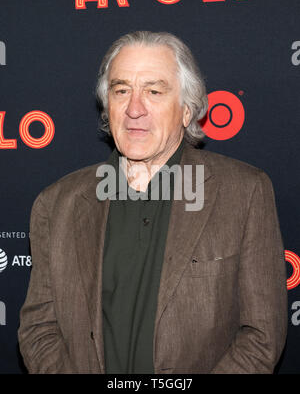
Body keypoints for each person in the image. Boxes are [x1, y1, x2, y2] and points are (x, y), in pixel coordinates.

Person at [18, 31, 287, 374]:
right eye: (121, 91)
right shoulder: (56, 204)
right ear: (107, 105)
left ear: (187, 110)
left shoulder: (244, 193)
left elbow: (262, 335)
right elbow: (39, 330)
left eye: (154, 91)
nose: (134, 109)